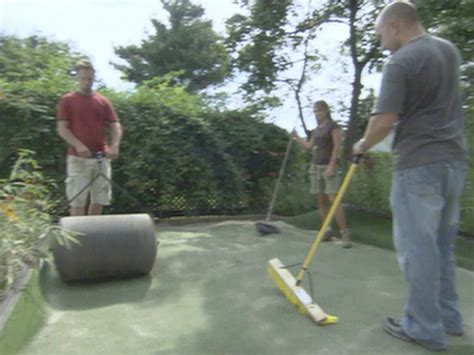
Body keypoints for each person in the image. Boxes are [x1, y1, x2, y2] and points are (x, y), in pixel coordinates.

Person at [353, 1, 468, 351]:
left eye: (379, 34)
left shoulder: (401, 61)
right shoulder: (449, 51)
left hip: (418, 164)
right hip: (453, 162)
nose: (380, 42)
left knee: (417, 250)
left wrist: (361, 144)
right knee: (442, 247)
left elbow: (384, 121)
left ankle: (422, 327)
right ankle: (449, 319)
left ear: (395, 26)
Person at [57, 59, 123, 216]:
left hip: (101, 158)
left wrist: (114, 145)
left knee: (100, 199)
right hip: (78, 159)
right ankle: (78, 238)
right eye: (83, 78)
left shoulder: (102, 101)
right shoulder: (67, 100)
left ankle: (92, 236)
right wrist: (78, 145)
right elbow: (62, 129)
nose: (87, 82)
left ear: (94, 77)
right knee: (77, 199)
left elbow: (115, 125)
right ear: (77, 78)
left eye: (90, 78)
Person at [293, 100, 352, 248]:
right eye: (315, 111)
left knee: (333, 199)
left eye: (319, 110)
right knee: (321, 201)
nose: (317, 113)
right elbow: (308, 146)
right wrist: (296, 137)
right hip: (316, 167)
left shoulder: (333, 126)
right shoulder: (316, 130)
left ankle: (345, 232)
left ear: (326, 110)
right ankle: (327, 230)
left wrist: (332, 165)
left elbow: (337, 146)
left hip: (329, 166)